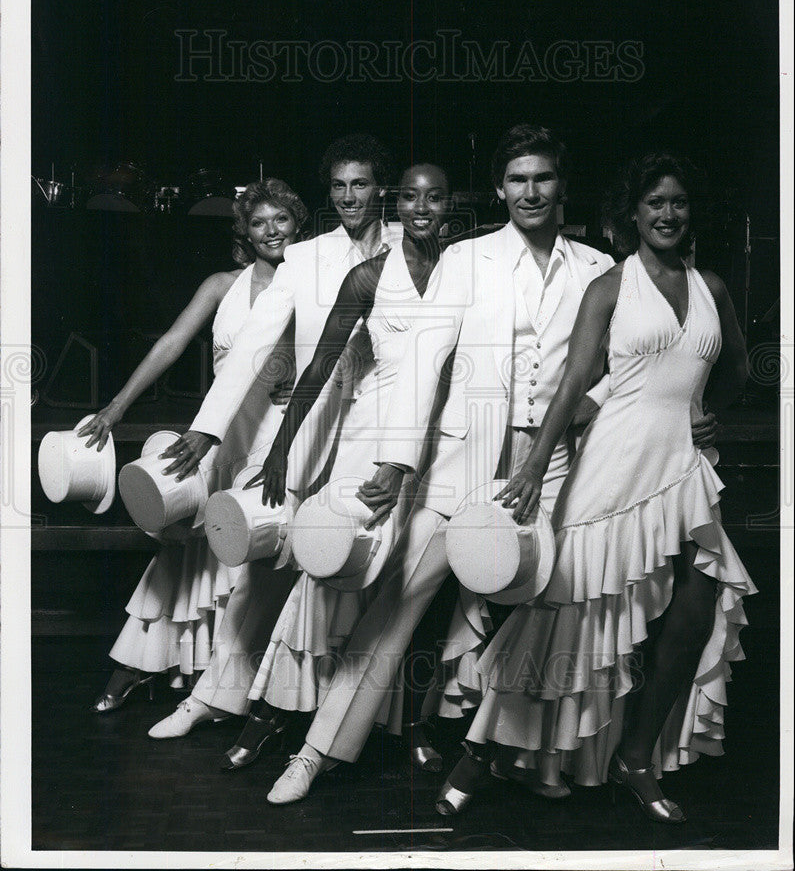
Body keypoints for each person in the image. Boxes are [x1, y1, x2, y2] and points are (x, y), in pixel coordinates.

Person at [266, 126, 719, 806]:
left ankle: (518, 756)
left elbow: (613, 371)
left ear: (560, 185)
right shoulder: (466, 258)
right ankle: (315, 753)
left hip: (559, 467)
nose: (529, 192)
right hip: (461, 462)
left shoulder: (598, 267)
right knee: (400, 606)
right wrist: (394, 461)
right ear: (500, 189)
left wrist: (617, 410)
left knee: (547, 609)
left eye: (541, 179)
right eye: (516, 180)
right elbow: (422, 362)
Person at [445, 151, 756, 824]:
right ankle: (484, 750)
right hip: (610, 467)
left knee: (695, 610)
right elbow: (571, 384)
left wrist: (708, 416)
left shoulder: (712, 288)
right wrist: (531, 472)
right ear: (633, 214)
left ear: (688, 210)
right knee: (562, 620)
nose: (666, 214)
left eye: (676, 202)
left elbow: (733, 368)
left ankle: (635, 755)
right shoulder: (609, 287)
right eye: (653, 204)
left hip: (681, 470)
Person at [144, 133, 404, 738]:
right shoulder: (306, 258)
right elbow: (254, 345)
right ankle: (215, 695)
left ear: (381, 188)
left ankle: (339, 718)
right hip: (305, 425)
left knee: (357, 568)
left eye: (360, 184)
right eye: (338, 186)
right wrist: (208, 430)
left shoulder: (414, 249)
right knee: (266, 556)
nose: (348, 197)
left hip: (382, 430)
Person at [225, 163, 470, 773]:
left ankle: (408, 723)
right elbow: (319, 366)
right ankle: (271, 718)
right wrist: (283, 445)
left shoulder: (468, 270)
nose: (421, 208)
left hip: (443, 449)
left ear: (448, 205)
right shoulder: (367, 276)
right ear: (396, 202)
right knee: (328, 575)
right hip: (367, 443)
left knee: (414, 596)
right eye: (409, 197)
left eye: (434, 197)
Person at [86, 178, 306, 711]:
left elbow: (345, 356)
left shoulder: (317, 285)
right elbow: (170, 343)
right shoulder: (221, 284)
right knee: (185, 545)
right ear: (245, 233)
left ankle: (232, 684)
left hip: (280, 436)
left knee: (252, 556)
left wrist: (301, 374)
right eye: (259, 222)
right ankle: (136, 666)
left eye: (281, 220)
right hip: (216, 432)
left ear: (298, 226)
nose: (271, 230)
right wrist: (116, 408)